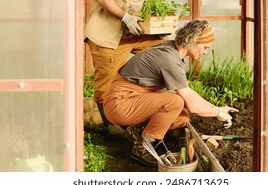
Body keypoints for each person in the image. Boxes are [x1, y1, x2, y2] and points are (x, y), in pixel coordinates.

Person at [101, 19, 239, 166]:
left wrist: (216, 108)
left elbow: (189, 94)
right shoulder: (169, 59)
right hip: (119, 104)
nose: (205, 52)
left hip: (129, 99)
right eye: (205, 47)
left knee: (182, 116)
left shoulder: (171, 49)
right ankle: (142, 147)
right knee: (176, 102)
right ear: (193, 41)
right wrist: (217, 113)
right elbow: (192, 104)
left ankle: (136, 132)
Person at [84, 0, 167, 135]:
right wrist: (126, 18)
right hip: (109, 36)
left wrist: (156, 24)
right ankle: (109, 124)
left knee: (162, 53)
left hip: (135, 33)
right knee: (107, 78)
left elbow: (146, 3)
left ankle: (150, 105)